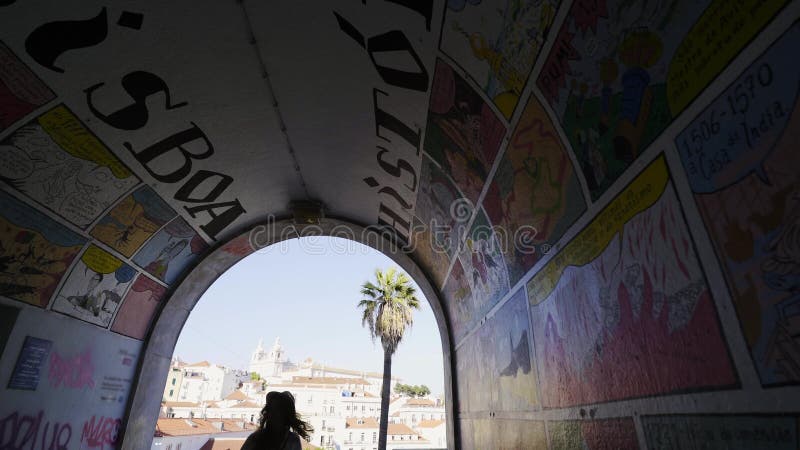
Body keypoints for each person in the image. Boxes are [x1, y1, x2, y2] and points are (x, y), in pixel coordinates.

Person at [241, 391, 313, 450]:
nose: (274, 415)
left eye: (277, 412)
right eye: (273, 411)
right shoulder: (292, 440)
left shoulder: (255, 438)